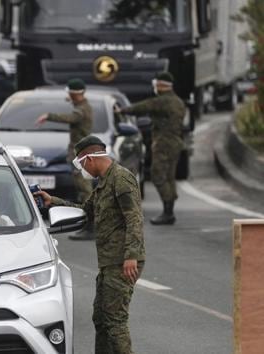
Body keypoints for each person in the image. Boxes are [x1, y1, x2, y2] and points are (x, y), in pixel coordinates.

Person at [34, 135, 145, 354]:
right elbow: (85, 210)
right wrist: (53, 201)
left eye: (81, 163)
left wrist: (131, 256)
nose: (82, 170)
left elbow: (134, 218)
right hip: (109, 261)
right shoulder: (104, 183)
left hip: (122, 260)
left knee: (115, 321)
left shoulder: (121, 179)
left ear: (90, 159)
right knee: (101, 318)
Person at [117, 71, 186, 225]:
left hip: (163, 143)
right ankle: (169, 210)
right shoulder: (178, 101)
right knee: (169, 176)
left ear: (161, 85)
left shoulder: (163, 101)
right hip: (175, 142)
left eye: (156, 84)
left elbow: (144, 106)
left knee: (158, 175)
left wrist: (122, 110)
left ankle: (168, 211)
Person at [35, 78, 94, 240]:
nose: (68, 96)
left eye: (69, 93)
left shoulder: (82, 109)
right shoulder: (81, 106)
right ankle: (88, 224)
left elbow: (72, 118)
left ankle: (91, 226)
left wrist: (49, 116)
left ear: (75, 94)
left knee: (85, 191)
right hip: (79, 154)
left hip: (81, 155)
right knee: (82, 190)